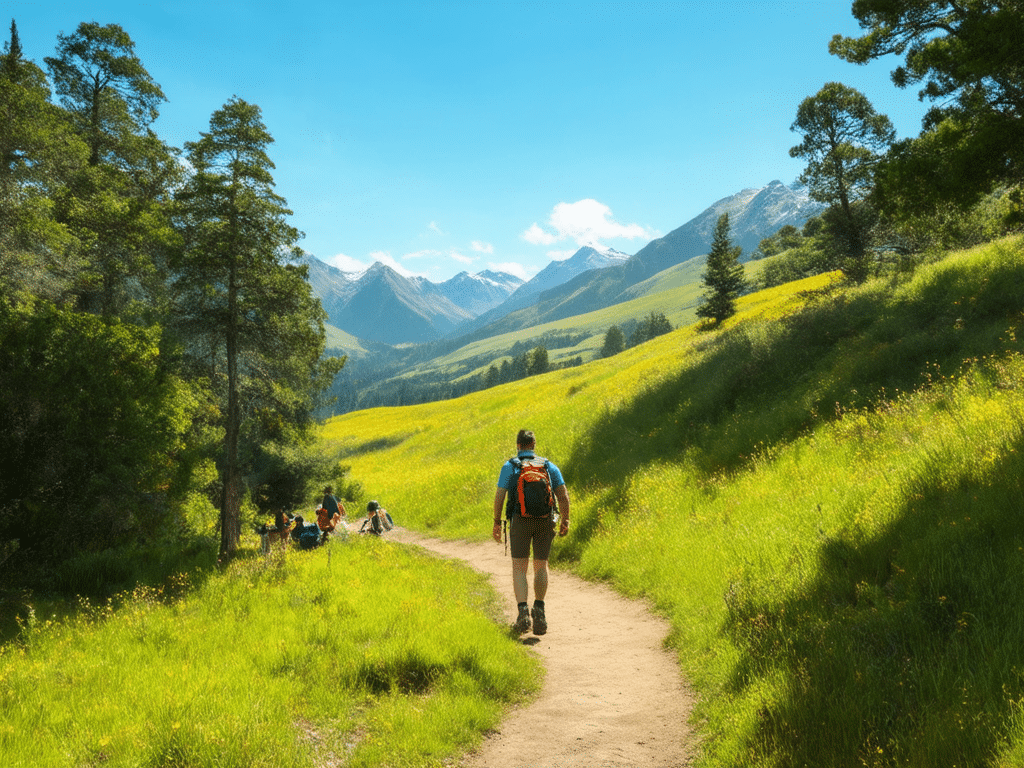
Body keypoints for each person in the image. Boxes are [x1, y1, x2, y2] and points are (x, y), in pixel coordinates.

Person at [492, 429, 570, 635]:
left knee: (519, 567)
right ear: (533, 444)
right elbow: (563, 495)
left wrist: (496, 523)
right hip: (545, 522)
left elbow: (500, 496)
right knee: (541, 566)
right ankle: (540, 610)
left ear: (518, 445)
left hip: (520, 521)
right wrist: (565, 519)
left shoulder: (509, 467)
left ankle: (523, 613)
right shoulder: (548, 466)